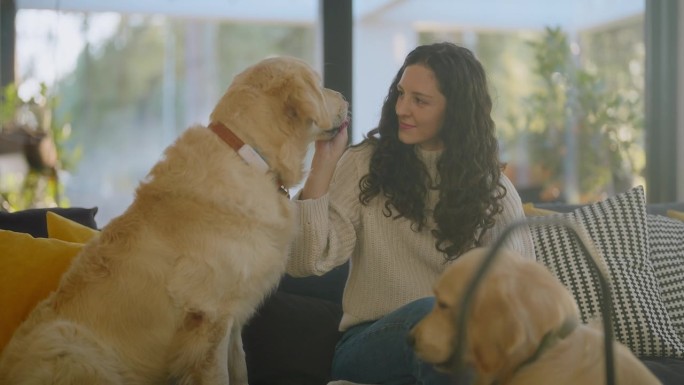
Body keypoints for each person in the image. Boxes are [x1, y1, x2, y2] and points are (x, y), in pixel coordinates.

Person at [286, 42, 536, 385]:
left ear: (457, 111)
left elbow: (516, 295)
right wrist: (323, 163)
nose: (402, 108)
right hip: (367, 344)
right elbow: (304, 259)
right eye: (401, 94)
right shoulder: (366, 164)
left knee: (454, 337)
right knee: (436, 319)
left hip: (456, 348)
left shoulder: (493, 191)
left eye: (420, 101)